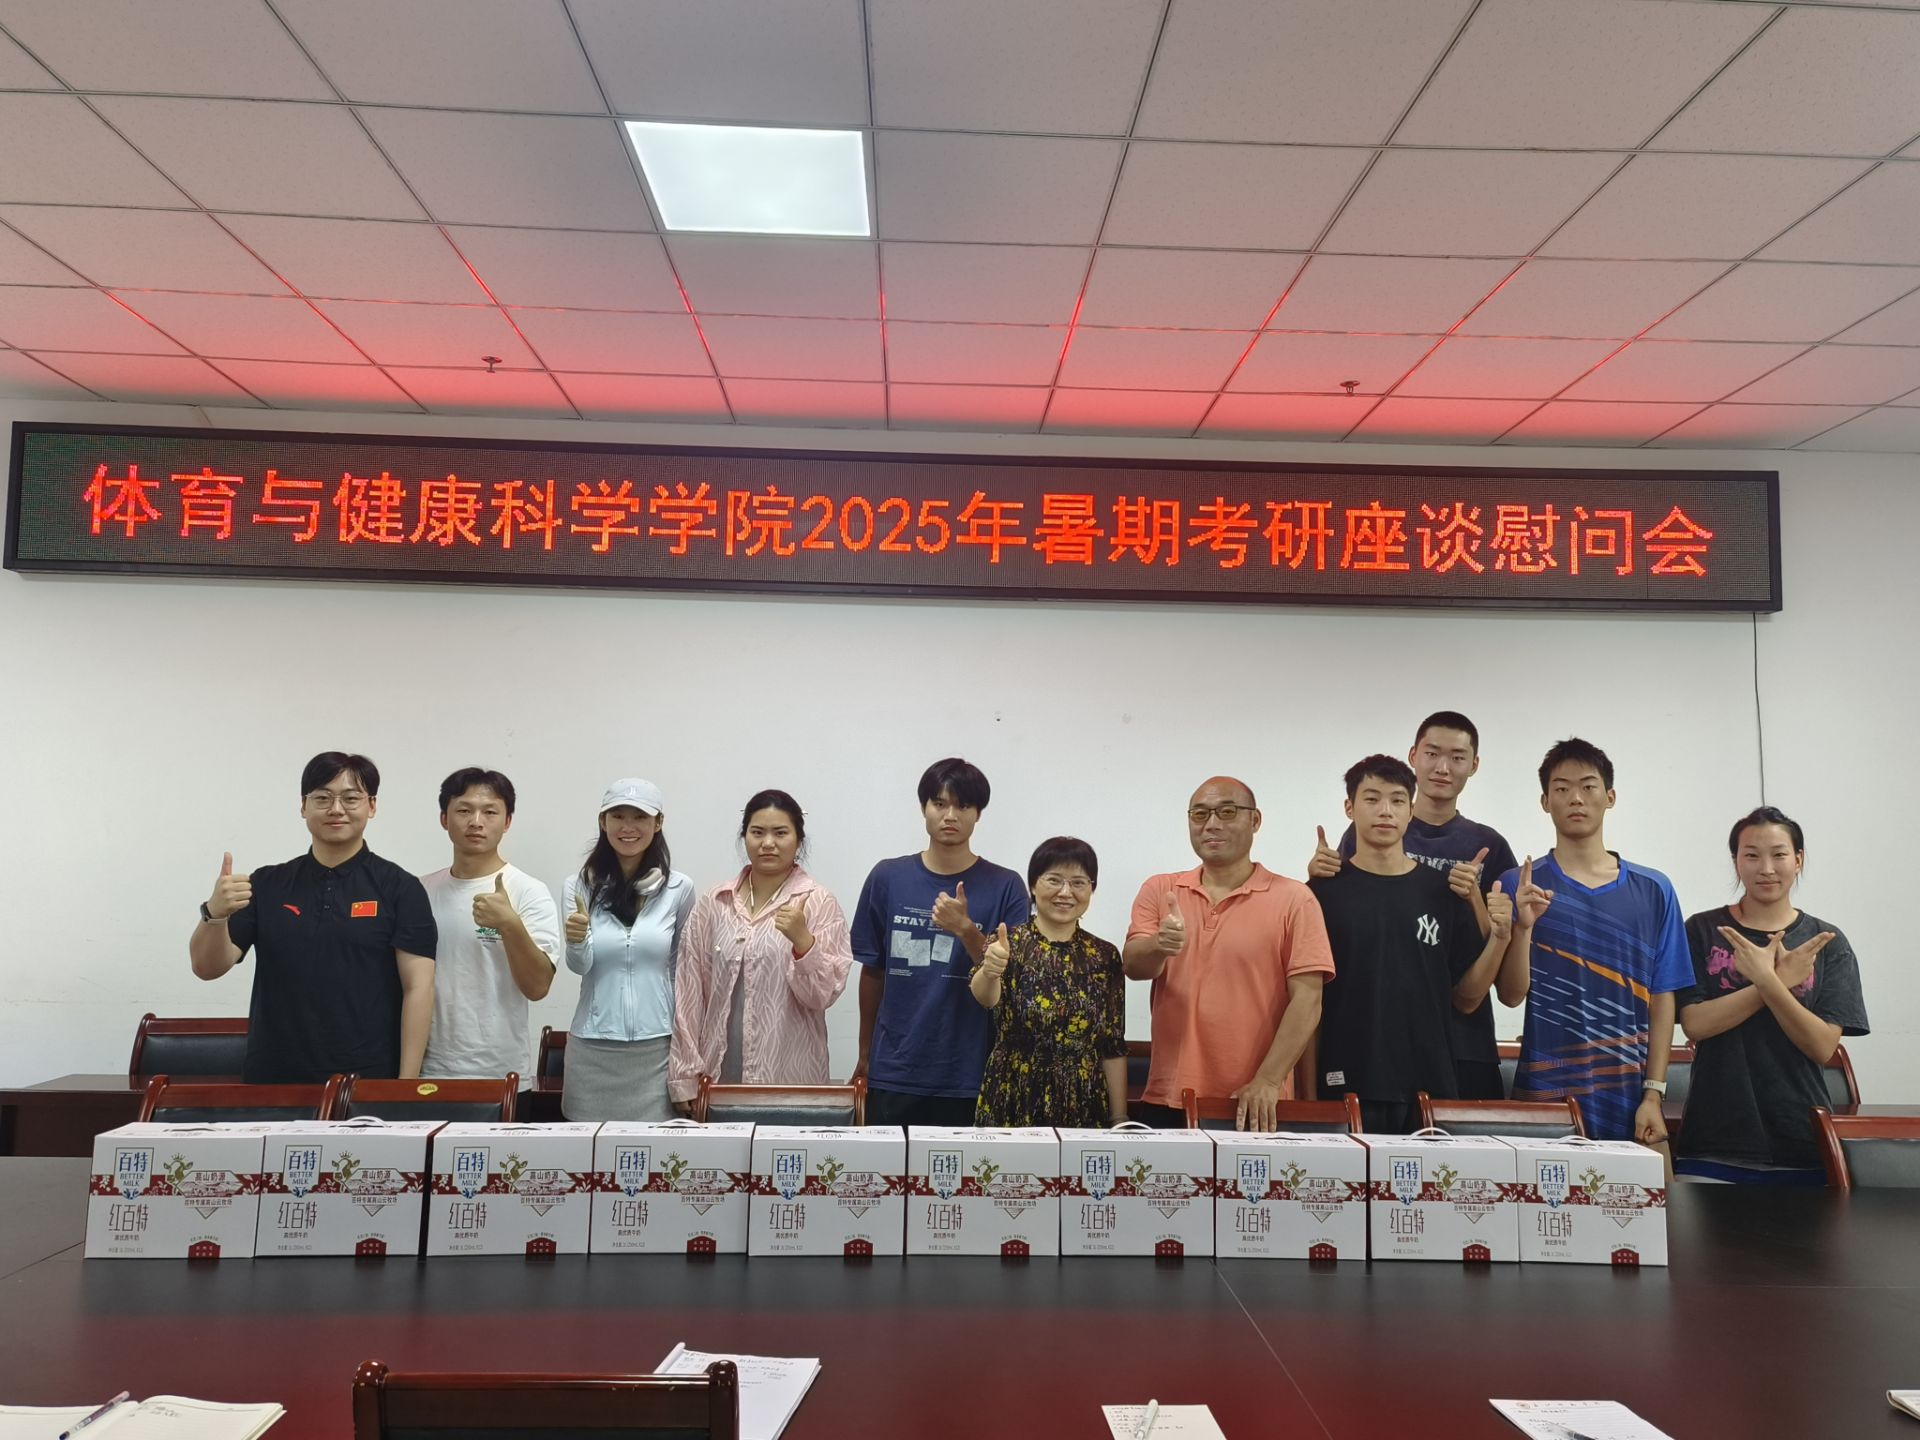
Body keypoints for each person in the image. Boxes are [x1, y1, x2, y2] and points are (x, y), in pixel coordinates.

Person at [189, 751, 436, 1084]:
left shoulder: (400, 888)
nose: (336, 809)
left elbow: (418, 988)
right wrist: (215, 914)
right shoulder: (266, 884)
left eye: (350, 798)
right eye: (322, 798)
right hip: (274, 1077)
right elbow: (207, 968)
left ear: (372, 806)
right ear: (303, 806)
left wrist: (405, 1084)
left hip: (367, 1078)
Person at [1310, 710, 1519, 1098]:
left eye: (1457, 757)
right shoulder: (1352, 851)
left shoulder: (1488, 845)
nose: (1443, 767)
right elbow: (1348, 911)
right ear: (1414, 755)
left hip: (1456, 1045)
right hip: (1361, 1051)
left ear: (1474, 765)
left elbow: (1491, 968)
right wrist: (1316, 878)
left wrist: (1476, 903)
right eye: (1432, 753)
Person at [1497, 738, 1693, 1145]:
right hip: (1546, 1097)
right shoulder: (1521, 884)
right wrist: (1523, 929)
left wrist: (1653, 1094)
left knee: (1647, 1189)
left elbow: (1662, 1001)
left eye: (1588, 786)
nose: (1576, 798)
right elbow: (1511, 996)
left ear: (1610, 797)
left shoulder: (1654, 889)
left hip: (1630, 1100)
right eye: (1561, 788)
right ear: (1545, 801)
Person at [1123, 776, 1334, 1131]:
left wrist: (1268, 1080)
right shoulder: (1161, 889)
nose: (1212, 824)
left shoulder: (1295, 899)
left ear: (1255, 820)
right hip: (1168, 1096)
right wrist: (1160, 944)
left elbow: (1308, 1000)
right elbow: (1133, 965)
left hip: (1256, 1101)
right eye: (1200, 814)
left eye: (1227, 811)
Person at [1675, 807, 1869, 1182]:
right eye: (1751, 855)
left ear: (1798, 860)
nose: (1766, 868)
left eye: (1779, 854)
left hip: (1803, 1143)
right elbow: (1695, 1024)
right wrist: (1777, 979)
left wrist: (1767, 980)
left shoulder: (1826, 942)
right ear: (1736, 861)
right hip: (1713, 1140)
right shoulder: (1701, 930)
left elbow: (1822, 1047)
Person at [849, 758, 1031, 1127]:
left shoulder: (1006, 886)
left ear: (978, 814)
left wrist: (965, 929)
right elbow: (873, 972)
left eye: (963, 806)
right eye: (939, 803)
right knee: (890, 1165)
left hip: (971, 1073)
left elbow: (1010, 978)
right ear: (924, 808)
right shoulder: (887, 877)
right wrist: (865, 1055)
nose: (950, 815)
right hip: (895, 1070)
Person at [668, 789, 853, 1111]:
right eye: (757, 832)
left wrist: (803, 942)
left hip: (791, 1080)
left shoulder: (819, 902)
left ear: (799, 840)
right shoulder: (715, 903)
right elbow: (689, 993)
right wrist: (684, 1075)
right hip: (718, 1078)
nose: (768, 843)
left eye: (780, 833)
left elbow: (823, 996)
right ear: (744, 837)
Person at [560, 778, 695, 1122]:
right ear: (603, 821)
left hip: (657, 1047)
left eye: (640, 817)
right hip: (593, 1048)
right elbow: (579, 966)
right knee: (588, 1150)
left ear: (658, 822)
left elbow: (682, 971)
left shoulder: (679, 889)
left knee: (655, 1150)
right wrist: (576, 939)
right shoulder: (579, 886)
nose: (628, 827)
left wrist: (685, 1052)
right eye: (618, 816)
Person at [971, 837, 1128, 1130]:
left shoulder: (1104, 956)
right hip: (1015, 1091)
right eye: (1054, 880)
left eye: (1078, 883)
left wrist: (1120, 1119)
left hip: (1083, 1098)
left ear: (1092, 889)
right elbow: (985, 998)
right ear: (1033, 885)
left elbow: (1112, 1045)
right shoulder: (1008, 942)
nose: (1065, 892)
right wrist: (990, 971)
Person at [419, 767, 561, 1082]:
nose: (476, 821)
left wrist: (509, 925)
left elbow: (538, 987)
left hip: (500, 1073)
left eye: (490, 812)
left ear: (507, 821)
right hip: (428, 1069)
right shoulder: (420, 891)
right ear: (444, 819)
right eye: (464, 810)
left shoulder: (528, 891)